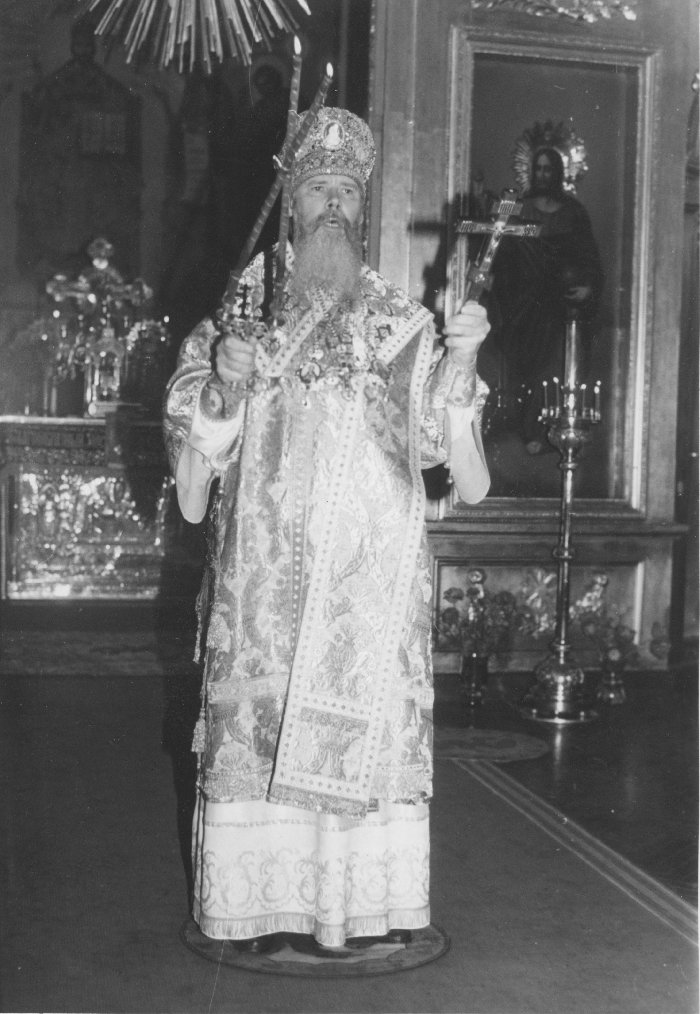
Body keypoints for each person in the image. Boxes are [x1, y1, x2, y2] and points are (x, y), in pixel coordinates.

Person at [163, 106, 490, 954]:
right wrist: (224, 385)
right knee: (263, 731)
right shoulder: (241, 316)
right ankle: (259, 909)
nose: (335, 203)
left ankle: (359, 911)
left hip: (367, 594)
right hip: (265, 593)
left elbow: (447, 456)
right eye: (318, 187)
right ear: (292, 201)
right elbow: (197, 449)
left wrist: (460, 360)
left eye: (348, 188)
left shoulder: (398, 323)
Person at [488, 145, 603, 454]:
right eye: (537, 169)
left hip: (562, 305)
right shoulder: (520, 209)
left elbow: (590, 260)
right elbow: (504, 257)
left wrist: (588, 288)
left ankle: (547, 430)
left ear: (558, 173)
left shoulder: (574, 212)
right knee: (527, 366)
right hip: (525, 305)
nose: (542, 174)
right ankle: (525, 430)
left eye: (547, 169)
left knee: (555, 364)